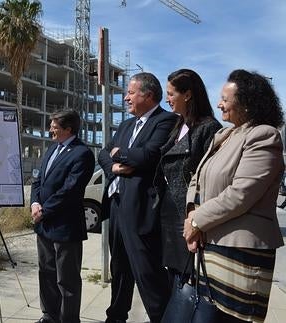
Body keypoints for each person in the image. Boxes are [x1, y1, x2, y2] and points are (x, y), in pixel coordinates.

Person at [184, 69, 284, 323]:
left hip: (239, 253)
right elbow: (197, 178)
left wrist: (197, 221)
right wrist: (191, 219)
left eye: (225, 99)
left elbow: (241, 194)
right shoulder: (225, 135)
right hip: (211, 246)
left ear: (247, 103)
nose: (219, 103)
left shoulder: (263, 135)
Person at [98, 72, 177, 323]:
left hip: (141, 209)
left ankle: (161, 317)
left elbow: (148, 156)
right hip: (117, 206)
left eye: (131, 92)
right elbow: (103, 153)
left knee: (147, 271)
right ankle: (116, 316)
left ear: (148, 94)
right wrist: (114, 166)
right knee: (119, 269)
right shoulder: (125, 125)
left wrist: (119, 153)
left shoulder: (167, 121)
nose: (126, 97)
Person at [156, 69, 221, 287]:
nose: (167, 99)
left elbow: (211, 179)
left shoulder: (209, 127)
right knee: (174, 277)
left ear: (188, 95)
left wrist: (198, 220)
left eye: (171, 93)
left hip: (187, 215)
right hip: (168, 213)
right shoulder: (178, 126)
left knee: (188, 281)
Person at [30, 109, 95, 323]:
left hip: (65, 227)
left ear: (68, 129)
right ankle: (49, 315)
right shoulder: (52, 149)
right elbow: (38, 180)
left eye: (54, 126)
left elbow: (70, 190)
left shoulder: (82, 154)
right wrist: (34, 203)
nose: (50, 130)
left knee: (67, 280)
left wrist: (45, 211)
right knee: (46, 273)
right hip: (45, 226)